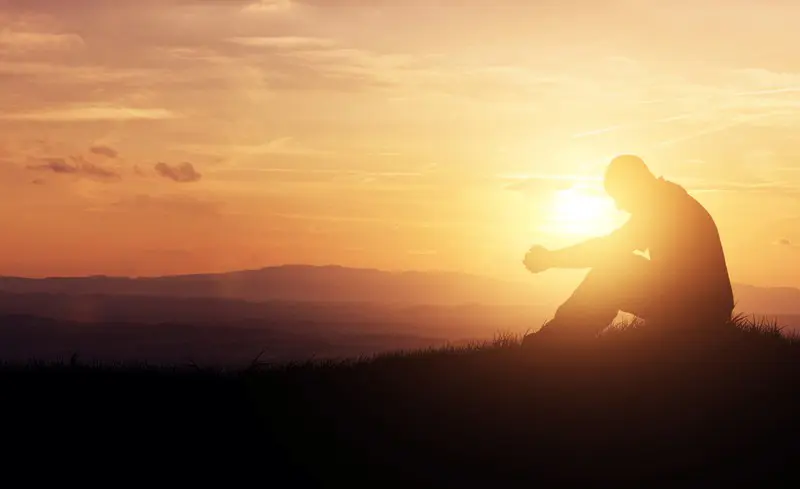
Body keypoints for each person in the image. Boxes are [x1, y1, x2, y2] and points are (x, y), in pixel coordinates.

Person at [522, 154, 735, 345]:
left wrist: (551, 259)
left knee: (612, 270)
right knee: (615, 265)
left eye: (618, 196)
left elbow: (609, 248)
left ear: (633, 186)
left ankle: (556, 341)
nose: (618, 206)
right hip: (705, 308)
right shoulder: (669, 200)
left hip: (700, 311)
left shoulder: (664, 207)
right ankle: (561, 338)